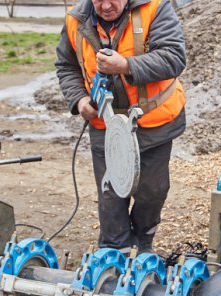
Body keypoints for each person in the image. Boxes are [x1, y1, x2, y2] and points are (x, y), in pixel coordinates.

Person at [55, 0, 186, 255]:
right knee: (111, 194)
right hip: (106, 124)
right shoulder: (75, 19)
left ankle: (143, 242)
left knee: (151, 192)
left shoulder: (155, 8)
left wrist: (126, 66)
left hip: (153, 122)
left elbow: (174, 58)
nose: (105, 6)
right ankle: (115, 251)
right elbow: (66, 66)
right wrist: (79, 99)